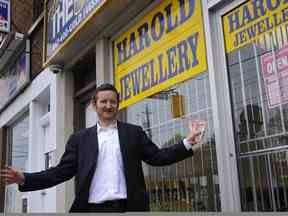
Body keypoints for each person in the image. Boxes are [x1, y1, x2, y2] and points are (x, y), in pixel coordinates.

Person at [1, 83, 204, 212]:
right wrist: (26, 178)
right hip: (92, 210)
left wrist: (187, 142)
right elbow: (61, 172)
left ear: (118, 104)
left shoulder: (133, 133)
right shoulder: (79, 139)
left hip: (129, 208)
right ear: (94, 104)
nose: (108, 105)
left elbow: (158, 157)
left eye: (112, 102)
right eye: (104, 101)